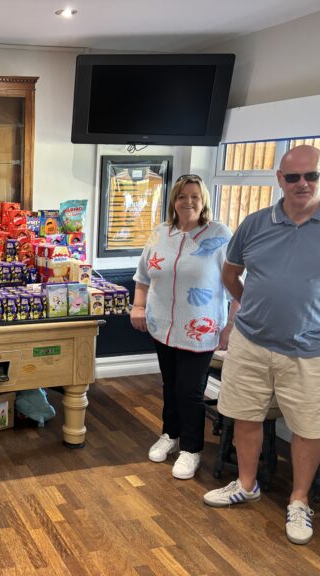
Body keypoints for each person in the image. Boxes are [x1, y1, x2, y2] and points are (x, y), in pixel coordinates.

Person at [203, 145, 320, 545]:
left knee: (309, 429)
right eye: (293, 177)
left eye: (312, 176)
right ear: (280, 180)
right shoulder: (255, 224)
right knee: (245, 416)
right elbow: (231, 275)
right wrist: (248, 307)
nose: (302, 184)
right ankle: (247, 483)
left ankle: (300, 501)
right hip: (252, 343)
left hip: (315, 351)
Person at [132, 173, 238, 480]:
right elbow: (142, 276)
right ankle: (170, 434)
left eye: (195, 196)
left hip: (200, 330)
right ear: (173, 201)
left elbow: (235, 286)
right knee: (169, 385)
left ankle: (192, 449)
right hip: (162, 324)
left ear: (203, 200)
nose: (188, 201)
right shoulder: (160, 232)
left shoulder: (219, 235)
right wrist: (138, 306)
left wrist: (230, 325)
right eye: (182, 196)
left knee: (190, 390)